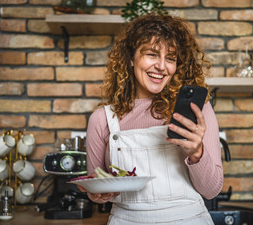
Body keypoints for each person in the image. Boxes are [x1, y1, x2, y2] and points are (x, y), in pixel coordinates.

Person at [80, 13, 223, 224]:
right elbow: (97, 187)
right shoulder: (102, 120)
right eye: (152, 54)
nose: (162, 66)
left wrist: (196, 153)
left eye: (171, 58)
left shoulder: (196, 110)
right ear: (131, 58)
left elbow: (211, 191)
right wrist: (95, 194)